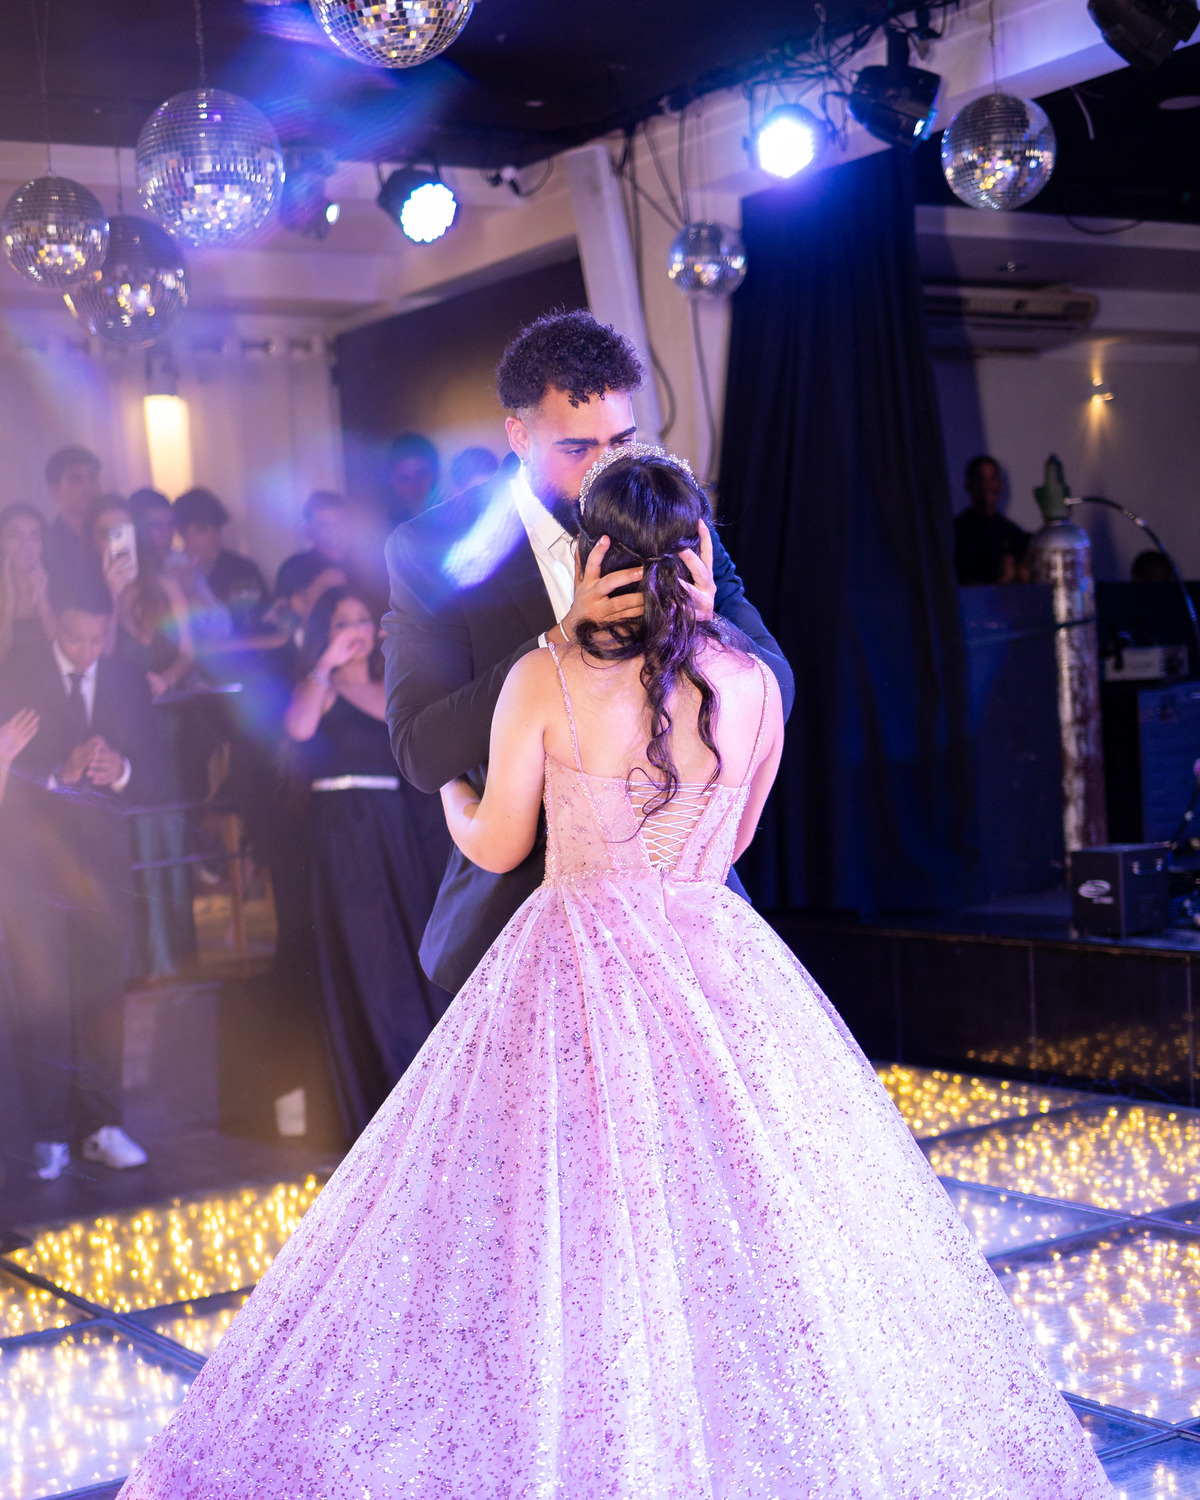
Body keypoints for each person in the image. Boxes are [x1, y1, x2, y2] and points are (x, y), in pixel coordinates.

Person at [116, 448, 1112, 1498]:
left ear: (597, 558)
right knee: (746, 1225)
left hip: (573, 975)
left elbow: (499, 844)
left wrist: (452, 793)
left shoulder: (546, 677)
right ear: (697, 556)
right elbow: (734, 840)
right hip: (717, 965)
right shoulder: (752, 683)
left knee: (566, 1228)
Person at [383, 308, 794, 993]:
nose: (607, 466)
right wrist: (557, 639)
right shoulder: (433, 550)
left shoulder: (673, 521)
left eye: (621, 441)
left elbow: (778, 686)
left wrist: (709, 630)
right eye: (577, 448)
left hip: (680, 932)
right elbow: (422, 751)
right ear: (519, 435)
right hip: (517, 934)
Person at [0, 575, 159, 1180]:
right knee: (44, 1001)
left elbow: (156, 774)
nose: (87, 650)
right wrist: (58, 775)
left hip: (104, 870)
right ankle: (49, 1134)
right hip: (34, 870)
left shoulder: (125, 679)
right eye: (74, 638)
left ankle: (101, 1125)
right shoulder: (19, 672)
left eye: (97, 638)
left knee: (101, 998)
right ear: (55, 624)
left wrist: (121, 771)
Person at [283, 586, 451, 1139]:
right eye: (341, 623)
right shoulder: (322, 690)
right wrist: (325, 663)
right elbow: (298, 729)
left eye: (361, 620)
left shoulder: (392, 690)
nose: (354, 631)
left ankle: (425, 1102)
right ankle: (378, 1104)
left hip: (395, 830)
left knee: (409, 957)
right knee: (367, 962)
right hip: (345, 835)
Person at [173, 487, 269, 636]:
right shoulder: (171, 572)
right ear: (181, 531)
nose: (212, 537)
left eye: (217, 528)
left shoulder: (243, 569)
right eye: (202, 529)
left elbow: (266, 619)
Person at [953, 454, 1030, 585]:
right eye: (981, 478)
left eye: (993, 478)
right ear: (969, 485)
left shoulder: (1012, 532)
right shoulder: (957, 531)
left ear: (1000, 484)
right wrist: (1003, 580)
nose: (988, 485)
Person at [41, 444, 103, 596]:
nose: (87, 486)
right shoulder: (46, 546)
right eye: (76, 479)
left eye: (92, 477)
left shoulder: (112, 534)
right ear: (54, 490)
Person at [0, 503, 55, 664]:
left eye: (34, 536)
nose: (24, 544)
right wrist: (9, 604)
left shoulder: (57, 584)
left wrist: (43, 601)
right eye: (14, 535)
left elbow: (65, 654)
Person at [384, 431, 439, 527]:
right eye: (404, 478)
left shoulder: (454, 521)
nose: (413, 485)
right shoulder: (391, 528)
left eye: (421, 474)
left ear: (435, 474)